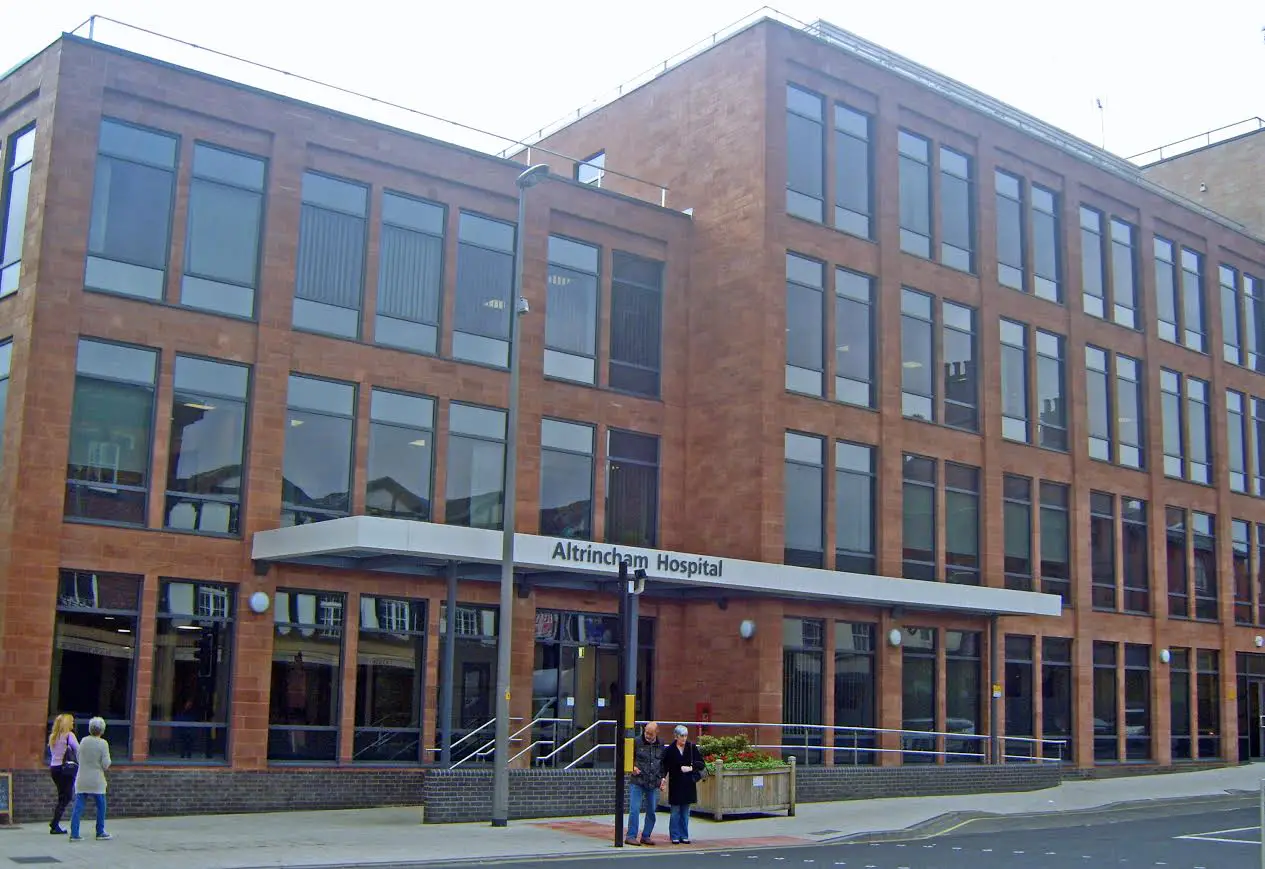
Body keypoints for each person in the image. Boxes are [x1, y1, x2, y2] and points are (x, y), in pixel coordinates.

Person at [68, 717, 112, 842]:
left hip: (82, 778)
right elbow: (105, 763)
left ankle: (74, 834)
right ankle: (100, 831)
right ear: (102, 730)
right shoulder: (103, 743)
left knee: (78, 807)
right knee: (101, 806)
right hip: (97, 780)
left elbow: (78, 756)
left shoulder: (83, 741)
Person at [660, 724, 706, 845]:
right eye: (681, 736)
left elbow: (701, 764)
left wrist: (690, 768)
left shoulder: (691, 747)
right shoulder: (669, 750)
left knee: (685, 812)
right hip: (675, 783)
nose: (684, 738)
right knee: (675, 811)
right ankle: (674, 835)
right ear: (676, 736)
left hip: (688, 783)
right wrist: (663, 779)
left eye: (685, 736)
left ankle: (684, 835)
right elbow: (664, 766)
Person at [625, 721, 665, 846]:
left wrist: (662, 778)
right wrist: (631, 767)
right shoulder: (637, 742)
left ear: (656, 733)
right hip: (638, 780)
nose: (647, 735)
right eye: (646, 732)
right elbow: (627, 757)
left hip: (653, 781)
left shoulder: (660, 744)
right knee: (634, 809)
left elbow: (662, 763)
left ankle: (646, 835)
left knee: (651, 810)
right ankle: (631, 836)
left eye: (651, 734)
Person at [46, 714, 79, 835]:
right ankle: (55, 824)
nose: (72, 724)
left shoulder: (53, 737)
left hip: (54, 768)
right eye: (71, 722)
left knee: (62, 795)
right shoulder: (69, 735)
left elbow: (53, 753)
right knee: (67, 796)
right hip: (66, 769)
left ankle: (55, 822)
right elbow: (78, 749)